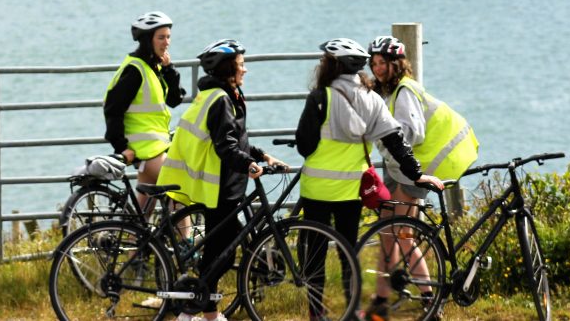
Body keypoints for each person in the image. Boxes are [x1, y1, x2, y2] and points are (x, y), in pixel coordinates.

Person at [295, 38, 444, 321]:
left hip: (316, 187)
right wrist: (417, 173)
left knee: (314, 251)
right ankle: (351, 312)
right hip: (351, 189)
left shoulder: (320, 97)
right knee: (348, 251)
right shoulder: (372, 98)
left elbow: (303, 144)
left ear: (331, 66)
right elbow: (396, 141)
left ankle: (317, 312)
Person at [158, 39, 287, 321]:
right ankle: (195, 314)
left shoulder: (222, 95)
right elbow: (226, 146)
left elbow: (236, 139)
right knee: (221, 254)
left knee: (221, 252)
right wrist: (249, 164)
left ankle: (207, 314)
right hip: (219, 186)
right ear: (228, 68)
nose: (245, 70)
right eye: (241, 65)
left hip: (224, 184)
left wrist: (263, 156)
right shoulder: (221, 100)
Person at [365, 35, 480, 319]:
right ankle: (380, 298)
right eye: (375, 63)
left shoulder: (404, 91)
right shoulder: (388, 92)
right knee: (387, 233)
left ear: (397, 64)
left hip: (417, 169)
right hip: (399, 168)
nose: (378, 69)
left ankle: (431, 298)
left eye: (383, 63)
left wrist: (381, 135)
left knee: (403, 234)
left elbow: (412, 133)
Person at [103, 10, 185, 212]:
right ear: (148, 40)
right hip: (144, 149)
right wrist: (121, 147)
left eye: (168, 37)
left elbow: (175, 100)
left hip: (155, 147)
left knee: (144, 209)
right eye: (161, 38)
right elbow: (113, 109)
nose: (167, 42)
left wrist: (168, 69)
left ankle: (133, 241)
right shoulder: (135, 71)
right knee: (180, 192)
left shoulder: (152, 67)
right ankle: (186, 243)